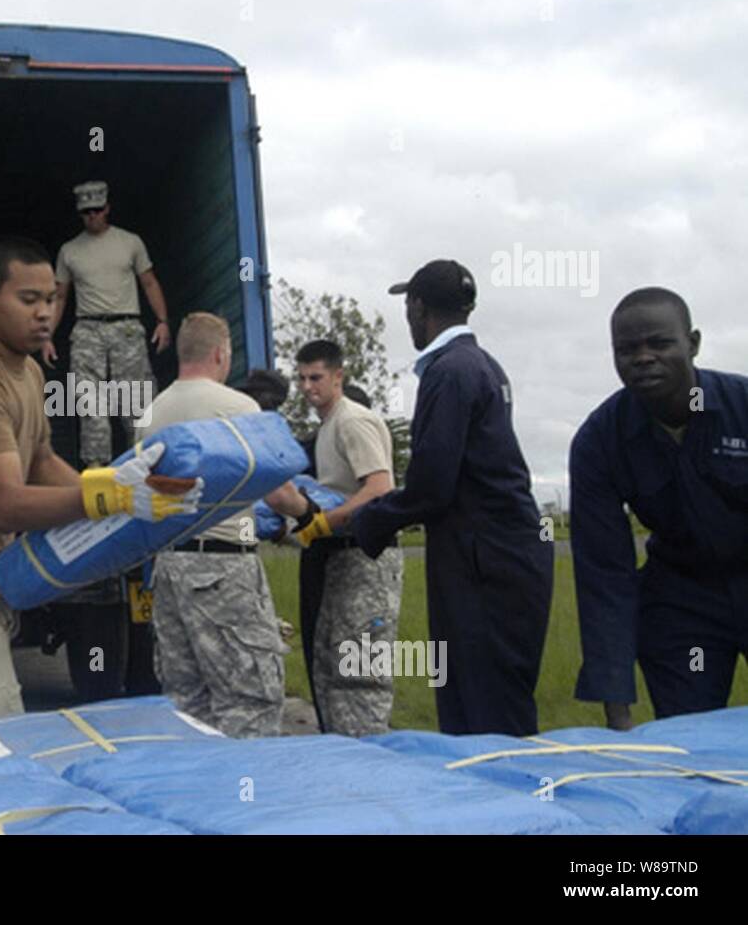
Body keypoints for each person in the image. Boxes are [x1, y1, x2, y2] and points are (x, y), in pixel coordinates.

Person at [0, 237, 203, 729]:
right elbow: (6, 504)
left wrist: (117, 491)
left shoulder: (29, 373)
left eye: (51, 300)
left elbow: (40, 460)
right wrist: (110, 498)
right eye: (28, 300)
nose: (44, 313)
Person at [351, 259, 552, 736]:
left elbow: (432, 485)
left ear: (418, 307)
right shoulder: (481, 365)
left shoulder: (450, 371)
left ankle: (508, 808)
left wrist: (365, 522)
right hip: (499, 557)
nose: (407, 316)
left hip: (484, 562)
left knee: (483, 713)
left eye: (407, 305)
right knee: (492, 701)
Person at [571, 287, 748, 729]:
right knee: (691, 733)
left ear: (693, 343)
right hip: (682, 600)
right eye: (627, 349)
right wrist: (617, 709)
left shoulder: (741, 406)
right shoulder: (599, 441)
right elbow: (604, 572)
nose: (643, 357)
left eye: (660, 343)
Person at [140, 313, 323, 738]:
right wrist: (307, 513)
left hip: (169, 568)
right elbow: (276, 490)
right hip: (223, 568)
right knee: (250, 697)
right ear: (221, 354)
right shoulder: (239, 407)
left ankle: (200, 795)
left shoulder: (152, 412)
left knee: (186, 700)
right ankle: (248, 792)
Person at [291, 341, 401, 736]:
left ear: (338, 377)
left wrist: (322, 521)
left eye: (316, 377)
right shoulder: (327, 426)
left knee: (359, 677)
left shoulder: (352, 421)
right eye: (301, 378)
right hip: (337, 557)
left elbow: (379, 488)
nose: (307, 387)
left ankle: (372, 773)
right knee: (330, 672)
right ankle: (342, 769)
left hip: (364, 558)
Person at [43, 181, 171, 467]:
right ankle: (97, 471)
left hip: (126, 327)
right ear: (80, 214)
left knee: (134, 401)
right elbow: (60, 297)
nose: (92, 216)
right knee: (90, 404)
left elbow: (149, 282)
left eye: (97, 210)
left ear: (107, 209)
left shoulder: (130, 242)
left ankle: (143, 464)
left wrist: (162, 321)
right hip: (87, 330)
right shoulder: (69, 251)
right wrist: (47, 336)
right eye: (86, 212)